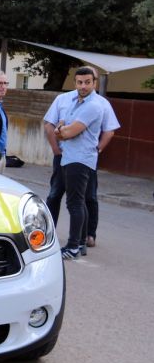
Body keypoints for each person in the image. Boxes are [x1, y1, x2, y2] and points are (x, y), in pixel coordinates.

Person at [44, 66, 119, 255]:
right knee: (59, 197)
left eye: (87, 82)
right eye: (79, 82)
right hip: (65, 157)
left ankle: (75, 245)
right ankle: (72, 243)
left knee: (80, 201)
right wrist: (58, 141)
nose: (83, 86)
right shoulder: (69, 100)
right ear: (75, 82)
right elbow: (53, 125)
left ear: (95, 82)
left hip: (80, 158)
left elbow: (67, 131)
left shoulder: (94, 104)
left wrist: (96, 149)